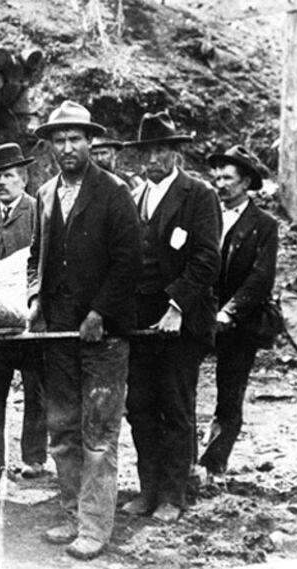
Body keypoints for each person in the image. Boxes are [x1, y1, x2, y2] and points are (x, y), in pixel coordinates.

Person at [27, 101, 142, 559]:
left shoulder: (114, 192)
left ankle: (95, 527)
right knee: (62, 429)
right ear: (50, 146)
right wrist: (35, 299)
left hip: (104, 336)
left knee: (98, 434)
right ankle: (72, 514)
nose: (67, 147)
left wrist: (99, 312)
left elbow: (128, 262)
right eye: (59, 140)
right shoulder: (44, 194)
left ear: (90, 142)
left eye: (75, 138)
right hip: (58, 331)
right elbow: (36, 256)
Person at [122, 110, 221, 523]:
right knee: (139, 406)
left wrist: (177, 307)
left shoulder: (198, 195)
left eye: (161, 150)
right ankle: (148, 489)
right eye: (146, 151)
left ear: (175, 153)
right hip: (140, 321)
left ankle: (173, 495)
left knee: (176, 406)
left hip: (181, 320)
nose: (154, 159)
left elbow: (207, 259)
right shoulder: (135, 197)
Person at [199, 146, 277, 481]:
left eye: (228, 178)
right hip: (200, 315)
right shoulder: (204, 216)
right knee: (180, 386)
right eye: (216, 178)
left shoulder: (264, 225)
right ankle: (183, 462)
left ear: (246, 183)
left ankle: (214, 464)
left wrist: (230, 312)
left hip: (240, 322)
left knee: (229, 394)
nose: (220, 184)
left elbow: (261, 276)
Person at [0, 142, 47, 480]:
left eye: (8, 175)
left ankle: (34, 457)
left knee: (35, 386)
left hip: (30, 312)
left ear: (24, 178)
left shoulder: (39, 213)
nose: (1, 183)